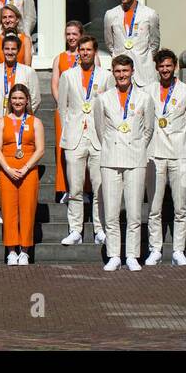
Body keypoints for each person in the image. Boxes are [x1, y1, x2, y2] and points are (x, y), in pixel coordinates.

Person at [0, 33, 41, 222]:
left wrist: (24, 116)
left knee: (21, 169)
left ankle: (19, 207)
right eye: (7, 49)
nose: (10, 52)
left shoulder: (28, 72)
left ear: (18, 51)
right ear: (2, 51)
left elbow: (35, 98)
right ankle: (0, 209)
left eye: (14, 49)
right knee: (0, 170)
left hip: (22, 125)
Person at [146, 49, 186, 266]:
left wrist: (184, 147)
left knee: (181, 207)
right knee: (154, 206)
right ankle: (155, 249)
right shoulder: (148, 91)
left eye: (168, 66)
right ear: (157, 68)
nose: (165, 70)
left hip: (179, 156)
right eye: (161, 66)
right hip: (155, 154)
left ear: (175, 66)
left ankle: (178, 250)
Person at [57, 34, 113, 247]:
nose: (85, 53)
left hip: (98, 138)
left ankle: (100, 229)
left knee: (99, 187)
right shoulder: (68, 76)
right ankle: (75, 230)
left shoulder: (106, 76)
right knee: (75, 187)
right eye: (82, 50)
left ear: (95, 52)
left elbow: (109, 108)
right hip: (75, 138)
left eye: (89, 49)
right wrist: (69, 131)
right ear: (78, 52)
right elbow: (63, 108)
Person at [98, 54, 153, 271]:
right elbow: (100, 128)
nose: (121, 75)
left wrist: (137, 145)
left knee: (134, 211)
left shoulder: (144, 98)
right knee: (111, 211)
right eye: (118, 71)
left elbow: (148, 129)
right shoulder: (103, 99)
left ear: (132, 72)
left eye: (125, 71)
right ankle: (114, 255)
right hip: (111, 158)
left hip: (136, 158)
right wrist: (112, 144)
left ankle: (132, 255)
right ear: (113, 73)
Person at [0, 84, 45, 265]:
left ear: (27, 100)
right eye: (14, 98)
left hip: (28, 171)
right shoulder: (2, 121)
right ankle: (11, 250)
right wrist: (7, 168)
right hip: (7, 171)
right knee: (8, 211)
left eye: (21, 98)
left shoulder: (35, 122)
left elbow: (40, 149)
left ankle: (24, 250)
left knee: (28, 210)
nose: (17, 101)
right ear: (10, 101)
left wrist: (26, 168)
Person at [103, 0, 161, 88]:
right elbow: (109, 44)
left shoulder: (149, 14)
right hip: (120, 73)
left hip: (144, 73)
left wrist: (143, 57)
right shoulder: (111, 14)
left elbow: (154, 43)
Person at [50, 20, 83, 203]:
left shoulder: (88, 55)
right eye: (68, 34)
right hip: (63, 111)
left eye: (74, 34)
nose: (71, 37)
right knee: (62, 148)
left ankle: (83, 189)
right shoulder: (59, 58)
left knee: (82, 147)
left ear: (80, 35)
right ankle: (64, 188)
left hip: (83, 111)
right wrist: (62, 104)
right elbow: (55, 84)